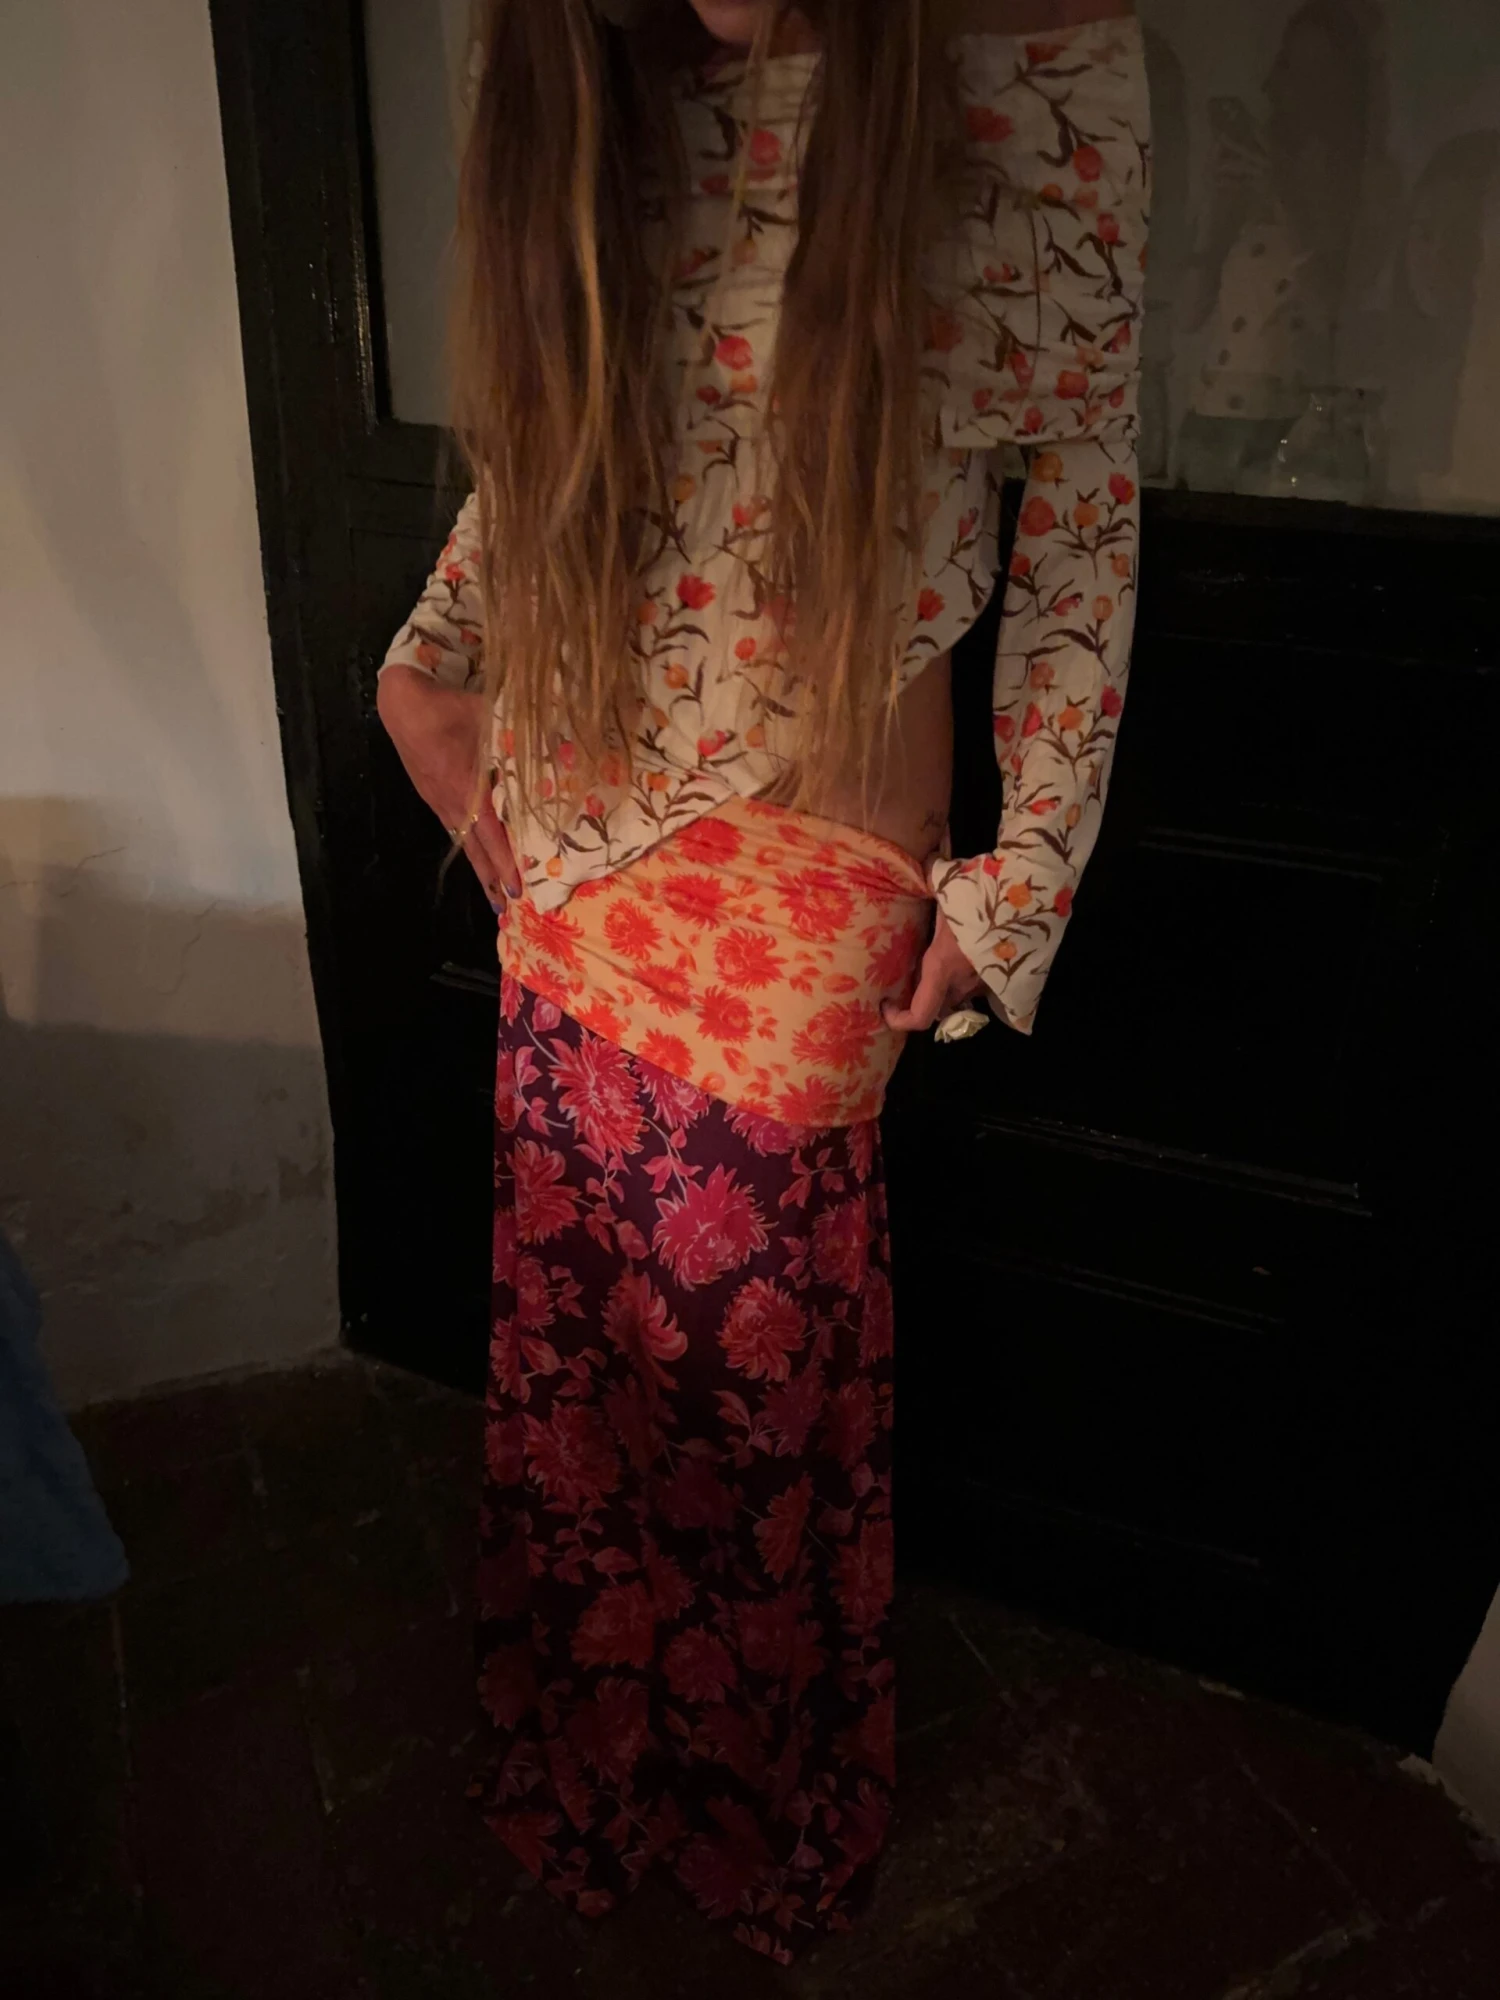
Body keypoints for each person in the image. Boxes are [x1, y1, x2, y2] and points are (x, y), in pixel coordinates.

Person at [377, 0, 1148, 1963]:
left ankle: (752, 1807)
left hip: (807, 894)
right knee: (575, 1384)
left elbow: (1082, 510)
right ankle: (590, 1761)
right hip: (564, 853)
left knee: (756, 1415)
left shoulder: (1017, 65)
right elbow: (546, 445)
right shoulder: (578, 70)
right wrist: (428, 663)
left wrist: (1024, 872)